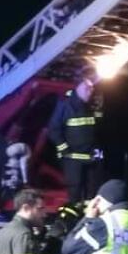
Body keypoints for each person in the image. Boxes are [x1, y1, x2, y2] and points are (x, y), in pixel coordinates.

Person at [47, 67, 103, 204]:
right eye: (87, 88)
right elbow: (53, 129)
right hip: (72, 159)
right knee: (75, 192)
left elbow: (98, 130)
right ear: (78, 86)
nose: (91, 91)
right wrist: (64, 148)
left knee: (92, 194)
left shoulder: (91, 107)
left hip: (91, 159)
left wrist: (100, 111)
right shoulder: (65, 105)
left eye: (92, 88)